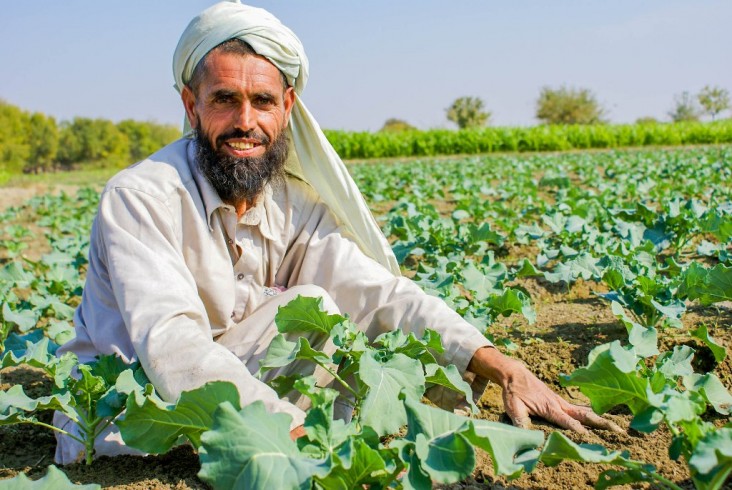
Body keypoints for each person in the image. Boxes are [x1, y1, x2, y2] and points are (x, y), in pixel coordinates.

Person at [53, 0, 619, 464]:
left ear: (287, 107)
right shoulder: (143, 196)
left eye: (262, 101)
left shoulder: (292, 205)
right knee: (313, 329)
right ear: (192, 104)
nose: (245, 122)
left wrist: (502, 365)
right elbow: (173, 346)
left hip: (232, 393)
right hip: (131, 421)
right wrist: (293, 437)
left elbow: (378, 294)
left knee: (329, 313)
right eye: (225, 100)